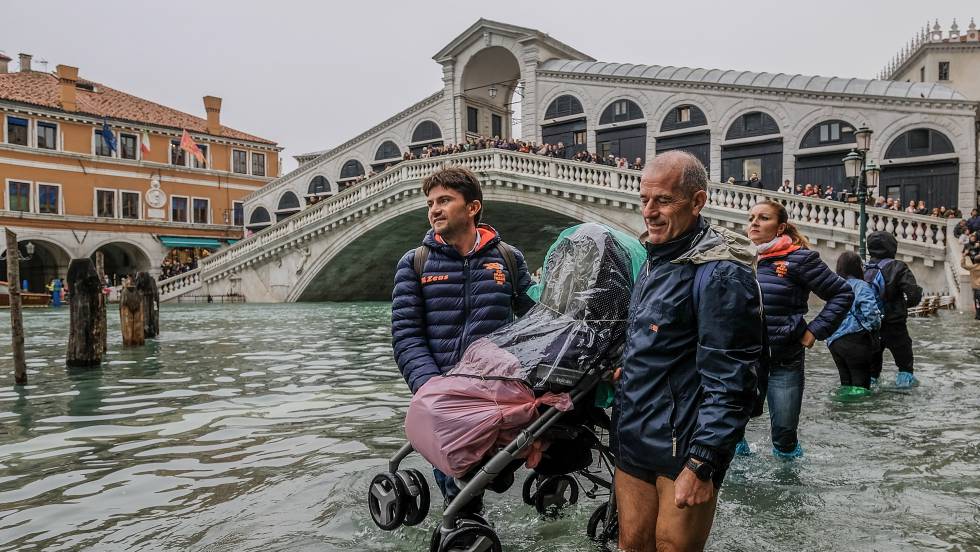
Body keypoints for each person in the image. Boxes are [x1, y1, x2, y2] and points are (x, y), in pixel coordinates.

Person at [614, 151, 762, 551]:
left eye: (663, 200)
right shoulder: (653, 259)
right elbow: (652, 337)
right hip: (633, 435)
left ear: (698, 202)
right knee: (631, 546)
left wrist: (703, 461)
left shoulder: (721, 273)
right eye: (644, 199)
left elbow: (733, 380)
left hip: (684, 446)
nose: (649, 211)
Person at [390, 166, 534, 517]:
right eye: (430, 203)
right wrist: (430, 388)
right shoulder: (415, 263)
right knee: (461, 497)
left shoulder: (508, 259)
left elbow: (533, 321)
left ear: (472, 208)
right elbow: (406, 335)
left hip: (497, 393)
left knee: (498, 474)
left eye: (444, 201)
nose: (434, 209)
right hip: (444, 397)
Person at [742, 200, 852, 458]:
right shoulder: (740, 259)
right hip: (743, 360)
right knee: (731, 430)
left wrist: (814, 331)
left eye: (763, 218)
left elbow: (842, 293)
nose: (754, 222)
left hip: (784, 360)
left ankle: (788, 483)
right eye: (751, 218)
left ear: (780, 228)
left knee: (784, 435)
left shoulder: (800, 259)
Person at [866, 231, 923, 388]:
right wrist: (905, 306)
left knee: (872, 367)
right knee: (904, 363)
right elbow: (913, 293)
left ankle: (871, 384)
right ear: (892, 247)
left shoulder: (864, 268)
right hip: (895, 324)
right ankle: (904, 389)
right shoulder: (898, 267)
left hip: (871, 326)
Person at [826, 252, 882, 391]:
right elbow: (871, 313)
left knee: (845, 383)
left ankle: (843, 409)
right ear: (857, 267)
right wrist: (875, 326)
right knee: (861, 385)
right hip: (856, 341)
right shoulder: (861, 286)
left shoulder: (834, 286)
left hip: (834, 342)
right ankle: (858, 411)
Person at [962, 254, 980, 320]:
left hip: (977, 289)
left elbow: (963, 265)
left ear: (975, 261)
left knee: (977, 303)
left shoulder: (972, 267)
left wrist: (964, 257)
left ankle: (978, 316)